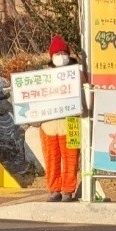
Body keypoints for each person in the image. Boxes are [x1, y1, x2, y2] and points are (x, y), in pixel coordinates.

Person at [39, 35, 81, 203]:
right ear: (51, 56)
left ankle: (68, 190)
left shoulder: (77, 73)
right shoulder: (43, 76)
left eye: (63, 53)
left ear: (68, 55)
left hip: (71, 122)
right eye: (57, 54)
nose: (61, 56)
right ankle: (54, 189)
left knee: (71, 159)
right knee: (51, 159)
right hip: (48, 125)